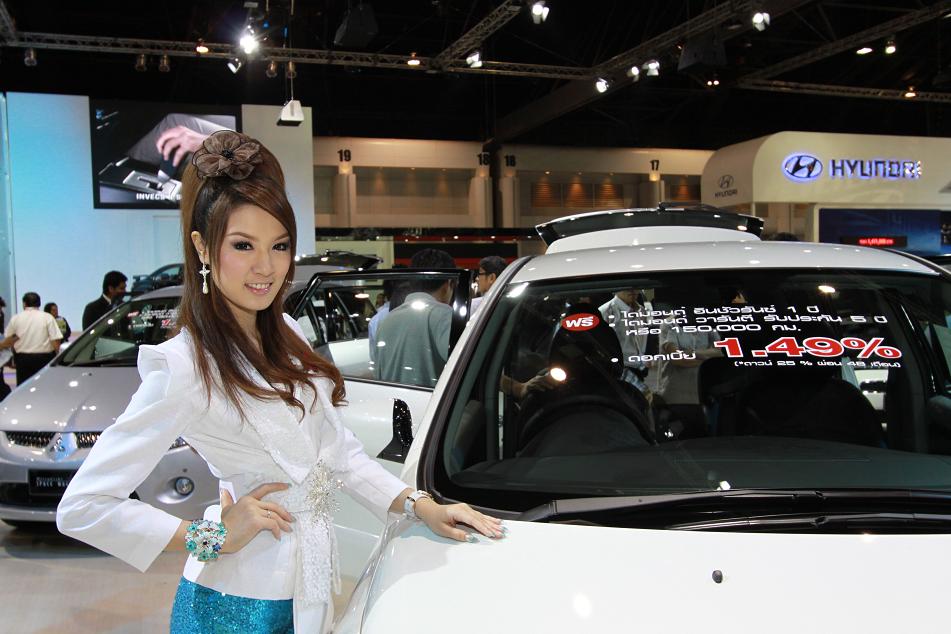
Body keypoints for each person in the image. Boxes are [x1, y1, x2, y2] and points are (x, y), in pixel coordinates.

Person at [56, 131, 502, 634]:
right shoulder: (185, 365)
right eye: (243, 245)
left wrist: (420, 505)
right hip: (234, 606)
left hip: (309, 588)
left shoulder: (287, 331)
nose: (265, 267)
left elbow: (337, 452)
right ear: (202, 247)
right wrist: (212, 538)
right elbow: (83, 506)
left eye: (280, 245)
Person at [375, 249, 455, 387]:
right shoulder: (444, 315)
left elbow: (379, 373)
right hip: (431, 400)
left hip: (390, 399)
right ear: (448, 283)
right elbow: (459, 366)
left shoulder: (386, 320)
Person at [0, 292, 63, 384]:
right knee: (45, 386)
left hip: (23, 360)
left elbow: (9, 340)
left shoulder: (16, 318)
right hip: (44, 359)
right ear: (39, 303)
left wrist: (13, 358)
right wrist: (58, 357)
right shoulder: (47, 317)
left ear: (24, 304)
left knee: (24, 388)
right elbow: (55, 340)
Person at [599, 288, 650, 395]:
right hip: (619, 371)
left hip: (640, 369)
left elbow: (643, 338)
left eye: (636, 286)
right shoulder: (605, 311)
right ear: (615, 289)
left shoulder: (642, 310)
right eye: (626, 287)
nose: (632, 290)